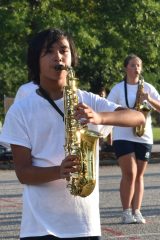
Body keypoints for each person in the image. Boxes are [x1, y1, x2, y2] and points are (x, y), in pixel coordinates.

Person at [0, 30, 145, 240]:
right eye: (48, 52)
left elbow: (138, 118)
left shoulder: (88, 100)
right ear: (35, 61)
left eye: (63, 50)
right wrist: (59, 171)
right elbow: (23, 173)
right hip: (38, 228)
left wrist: (99, 117)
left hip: (84, 224)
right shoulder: (21, 109)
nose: (58, 57)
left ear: (72, 58)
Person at [107, 54, 160, 224]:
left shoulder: (148, 88)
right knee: (130, 173)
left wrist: (148, 99)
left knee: (139, 175)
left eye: (138, 65)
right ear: (126, 68)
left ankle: (137, 210)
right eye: (132, 65)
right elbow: (107, 107)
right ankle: (126, 211)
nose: (136, 68)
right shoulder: (117, 88)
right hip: (122, 135)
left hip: (143, 136)